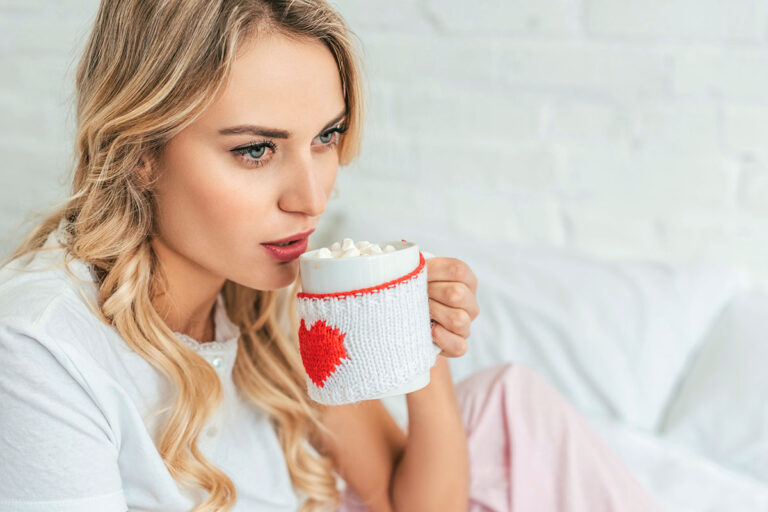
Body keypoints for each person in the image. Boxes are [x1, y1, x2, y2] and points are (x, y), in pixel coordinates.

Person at [0, 1, 662, 511]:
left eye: (326, 137)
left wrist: (419, 349)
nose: (311, 197)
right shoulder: (39, 345)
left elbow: (412, 503)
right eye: (255, 150)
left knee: (511, 402)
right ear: (140, 153)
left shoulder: (271, 302)